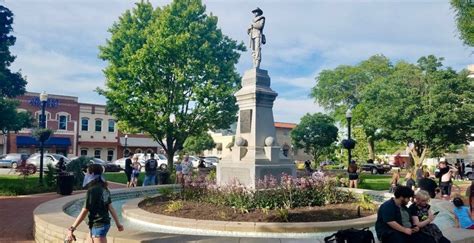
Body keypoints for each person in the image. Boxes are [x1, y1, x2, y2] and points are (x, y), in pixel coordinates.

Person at [66, 164, 124, 242]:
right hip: (101, 224)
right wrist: (118, 224)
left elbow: (84, 211)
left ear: (92, 174)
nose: (86, 174)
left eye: (87, 172)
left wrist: (72, 228)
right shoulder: (104, 188)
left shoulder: (92, 190)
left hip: (98, 225)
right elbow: (110, 207)